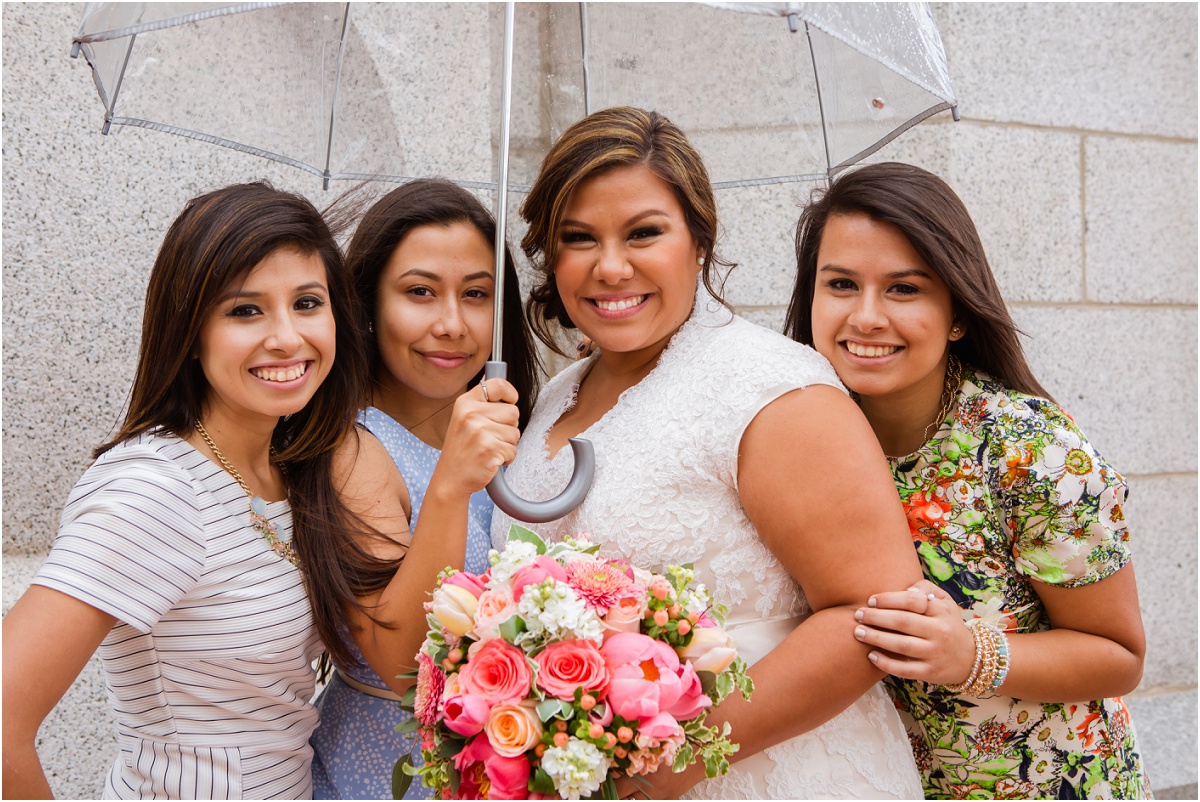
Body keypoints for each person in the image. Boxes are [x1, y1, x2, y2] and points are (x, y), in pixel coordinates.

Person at [490, 106, 924, 799]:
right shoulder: (556, 396)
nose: (609, 266)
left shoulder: (773, 391)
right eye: (578, 238)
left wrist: (676, 764)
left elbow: (873, 619)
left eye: (643, 233)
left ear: (698, 240)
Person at [785, 161, 1151, 799]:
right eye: (841, 283)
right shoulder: (798, 435)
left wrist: (974, 654)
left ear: (956, 309)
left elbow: (1119, 655)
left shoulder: (1031, 450)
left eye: (904, 289)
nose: (866, 317)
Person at [2, 182, 370, 799]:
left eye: (308, 302)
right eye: (245, 310)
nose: (286, 337)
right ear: (191, 333)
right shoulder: (154, 488)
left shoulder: (290, 469)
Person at [308, 179, 537, 800]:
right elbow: (401, 657)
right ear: (366, 305)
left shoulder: (513, 433)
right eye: (419, 293)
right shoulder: (354, 449)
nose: (452, 324)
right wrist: (449, 486)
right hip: (387, 769)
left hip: (498, 761)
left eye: (476, 295)